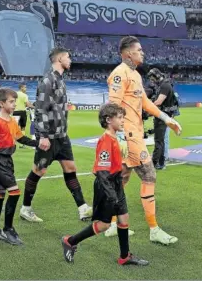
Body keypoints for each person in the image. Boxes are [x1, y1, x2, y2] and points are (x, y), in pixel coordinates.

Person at [105, 36, 181, 245]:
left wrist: (166, 119)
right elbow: (113, 105)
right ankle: (154, 229)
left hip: (133, 134)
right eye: (139, 50)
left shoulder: (136, 75)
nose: (142, 53)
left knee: (123, 178)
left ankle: (112, 223)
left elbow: (146, 103)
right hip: (128, 136)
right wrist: (119, 136)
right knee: (149, 175)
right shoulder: (120, 73)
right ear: (128, 53)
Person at [61, 103, 148, 266]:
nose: (123, 121)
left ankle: (124, 256)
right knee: (103, 225)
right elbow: (101, 172)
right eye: (120, 117)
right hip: (106, 186)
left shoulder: (115, 137)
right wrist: (111, 195)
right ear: (108, 119)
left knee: (123, 219)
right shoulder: (105, 140)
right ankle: (70, 241)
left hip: (115, 183)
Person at [20, 47, 93, 223]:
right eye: (68, 56)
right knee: (38, 171)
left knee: (70, 169)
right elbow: (40, 109)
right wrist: (43, 136)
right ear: (59, 58)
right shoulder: (48, 80)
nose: (71, 59)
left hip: (62, 136)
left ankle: (83, 208)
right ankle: (26, 208)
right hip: (49, 137)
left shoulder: (60, 80)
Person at [0, 88, 37, 245]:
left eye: (15, 101)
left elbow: (21, 138)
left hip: (7, 160)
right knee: (15, 192)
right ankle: (8, 229)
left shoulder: (12, 121)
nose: (14, 104)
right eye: (11, 102)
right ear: (1, 103)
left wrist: (39, 144)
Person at [148, 68, 177, 170]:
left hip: (162, 116)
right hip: (162, 115)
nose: (152, 80)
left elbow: (159, 102)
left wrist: (146, 108)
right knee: (161, 140)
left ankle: (155, 162)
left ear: (156, 76)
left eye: (152, 78)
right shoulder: (163, 85)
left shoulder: (164, 86)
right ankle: (161, 162)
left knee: (159, 140)